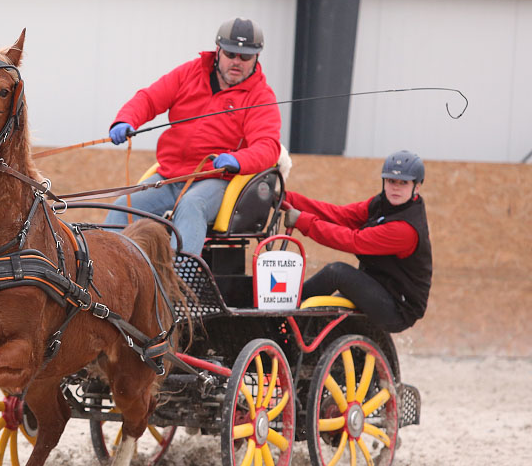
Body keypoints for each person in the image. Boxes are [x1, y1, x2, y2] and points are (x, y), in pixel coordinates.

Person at [104, 17, 281, 255]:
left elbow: (268, 146)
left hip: (217, 180)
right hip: (171, 175)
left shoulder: (261, 96)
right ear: (218, 51)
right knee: (124, 206)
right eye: (230, 54)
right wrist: (125, 120)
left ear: (256, 58)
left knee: (192, 205)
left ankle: (180, 282)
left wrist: (238, 160)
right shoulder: (189, 73)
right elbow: (149, 99)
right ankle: (103, 273)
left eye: (245, 57)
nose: (236, 62)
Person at [284, 150, 432, 333]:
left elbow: (354, 241)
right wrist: (289, 199)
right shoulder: (381, 203)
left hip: (397, 308)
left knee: (336, 272)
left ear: (417, 187)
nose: (396, 188)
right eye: (391, 181)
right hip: (376, 287)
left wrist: (303, 222)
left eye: (404, 183)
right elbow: (341, 216)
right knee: (323, 317)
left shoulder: (405, 230)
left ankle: (285, 312)